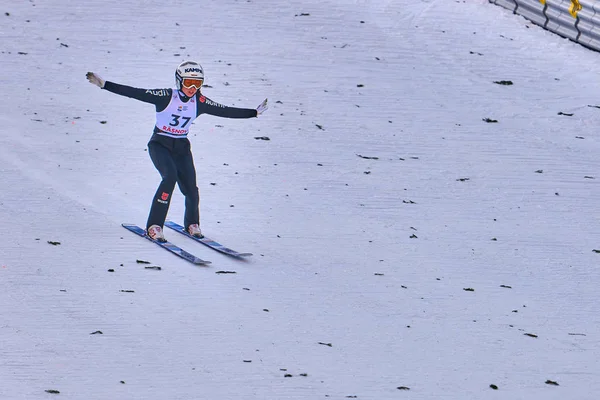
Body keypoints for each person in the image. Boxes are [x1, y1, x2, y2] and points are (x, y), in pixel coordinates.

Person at [86, 61, 268, 242]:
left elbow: (225, 111)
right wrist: (105, 85)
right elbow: (136, 93)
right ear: (179, 81)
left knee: (191, 187)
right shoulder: (165, 96)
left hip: (181, 147)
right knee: (169, 177)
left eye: (197, 84)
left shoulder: (200, 101)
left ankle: (192, 224)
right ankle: (154, 226)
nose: (192, 88)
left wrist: (253, 113)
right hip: (160, 144)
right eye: (188, 82)